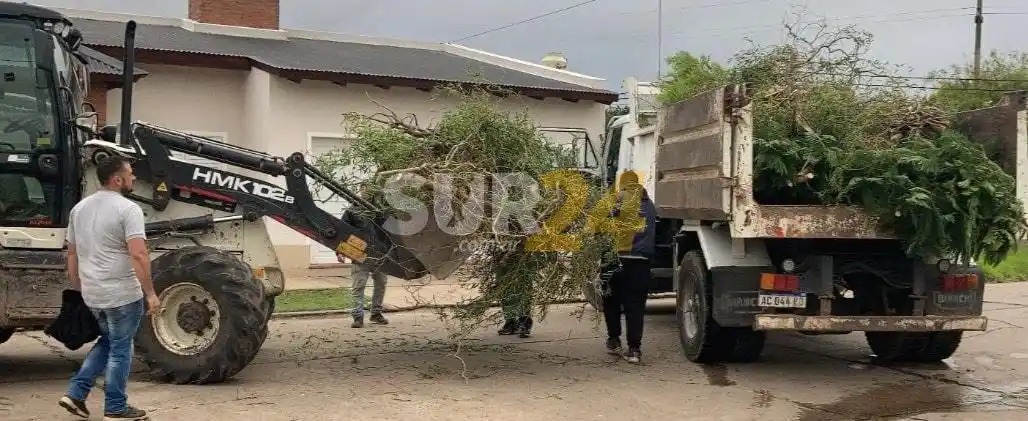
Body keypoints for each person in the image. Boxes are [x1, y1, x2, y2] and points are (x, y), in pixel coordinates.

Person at [58, 155, 161, 421]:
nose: (134, 177)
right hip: (122, 294)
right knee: (121, 350)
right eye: (130, 174)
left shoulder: (79, 209)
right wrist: (150, 293)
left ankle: (76, 393)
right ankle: (116, 408)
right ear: (117, 180)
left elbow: (72, 253)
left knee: (109, 341)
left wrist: (78, 288)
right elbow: (138, 254)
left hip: (93, 293)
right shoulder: (128, 210)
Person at [601, 170, 657, 364]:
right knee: (635, 307)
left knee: (611, 301)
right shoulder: (650, 205)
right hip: (641, 263)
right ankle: (634, 350)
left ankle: (614, 340)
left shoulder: (617, 199)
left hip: (615, 260)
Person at [340, 251, 389, 328]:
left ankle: (376, 314)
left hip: (380, 256)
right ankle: (358, 317)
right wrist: (339, 252)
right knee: (358, 286)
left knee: (381, 284)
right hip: (359, 255)